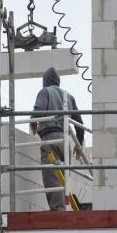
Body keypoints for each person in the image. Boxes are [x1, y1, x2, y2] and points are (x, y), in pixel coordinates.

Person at [29, 67, 85, 211]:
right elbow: (80, 124)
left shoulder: (45, 92)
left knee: (52, 178)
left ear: (45, 82)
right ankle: (64, 208)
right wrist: (78, 145)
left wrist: (32, 122)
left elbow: (39, 110)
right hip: (65, 141)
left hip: (50, 141)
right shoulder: (69, 96)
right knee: (63, 176)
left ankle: (58, 210)